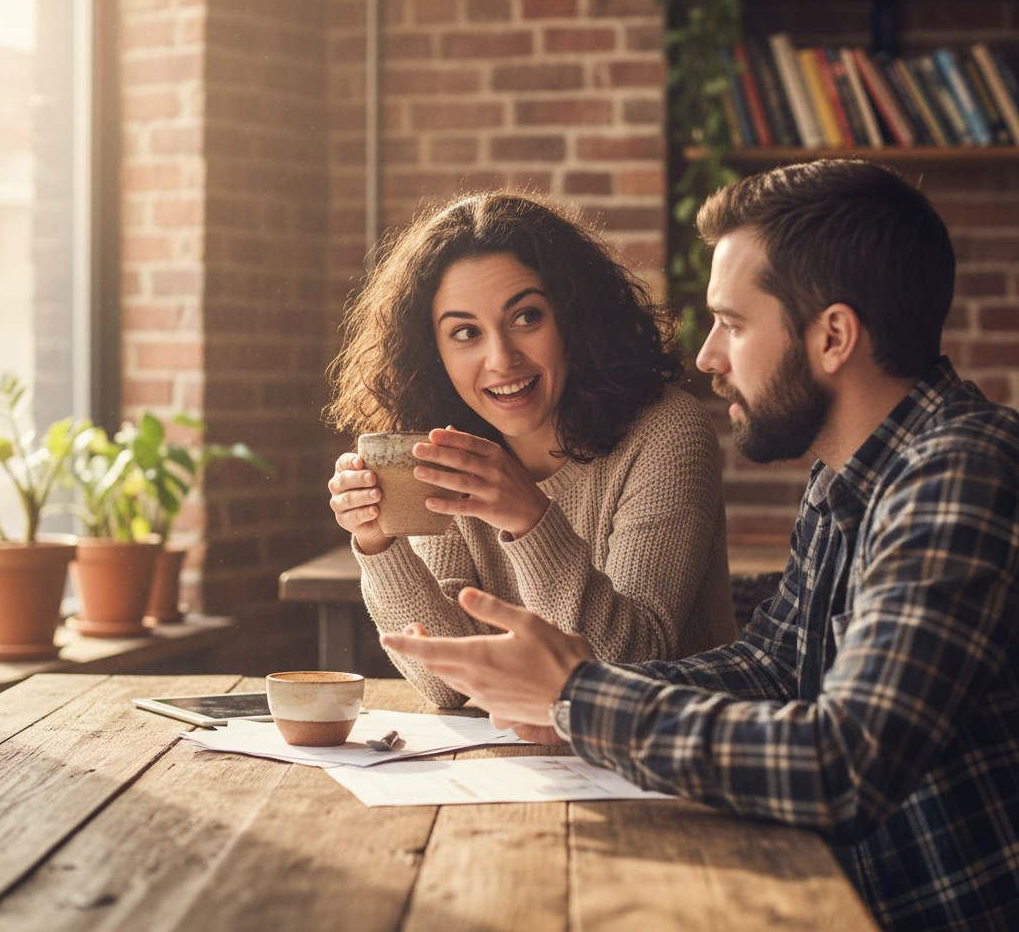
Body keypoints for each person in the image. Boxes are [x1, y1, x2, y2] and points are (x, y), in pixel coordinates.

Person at [382, 160, 1019, 932]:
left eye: (735, 323)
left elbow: (842, 765)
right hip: (823, 890)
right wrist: (568, 700)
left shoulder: (960, 470)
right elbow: (774, 666)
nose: (711, 356)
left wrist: (580, 697)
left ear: (834, 337)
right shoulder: (848, 476)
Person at [327, 192, 739, 707]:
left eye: (526, 318)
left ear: (574, 317)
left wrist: (529, 518)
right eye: (465, 333)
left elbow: (630, 665)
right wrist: (378, 544)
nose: (501, 358)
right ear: (433, 353)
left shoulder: (667, 434)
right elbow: (448, 684)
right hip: (521, 760)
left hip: (658, 760)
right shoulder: (441, 446)